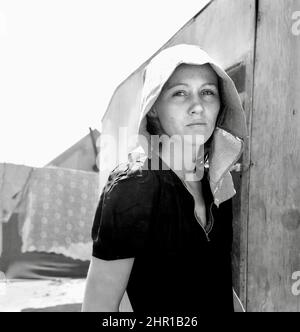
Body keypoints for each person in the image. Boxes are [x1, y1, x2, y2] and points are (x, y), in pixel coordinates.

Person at [82, 44, 247, 312]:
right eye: (180, 93)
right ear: (153, 108)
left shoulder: (218, 184)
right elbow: (98, 308)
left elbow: (216, 280)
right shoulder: (133, 187)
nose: (197, 106)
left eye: (208, 92)